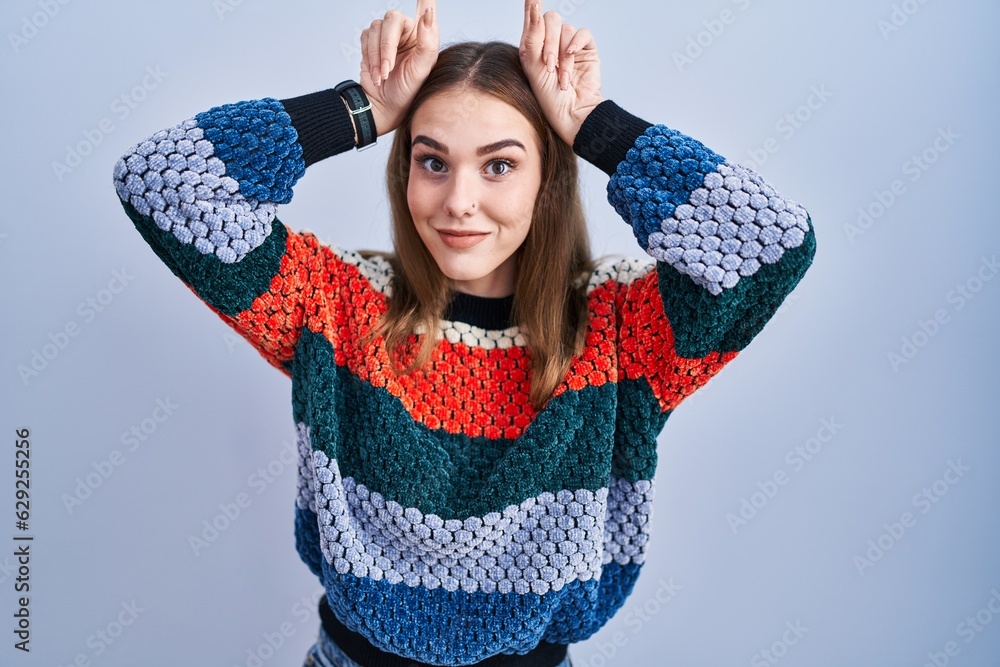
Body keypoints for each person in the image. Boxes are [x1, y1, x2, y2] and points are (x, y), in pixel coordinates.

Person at [111, 1, 816, 665]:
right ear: (404, 168)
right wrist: (357, 109)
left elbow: (772, 246)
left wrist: (593, 122)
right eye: (433, 160)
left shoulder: (619, 328)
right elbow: (163, 183)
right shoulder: (338, 303)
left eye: (500, 164)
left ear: (547, 180)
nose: (459, 201)